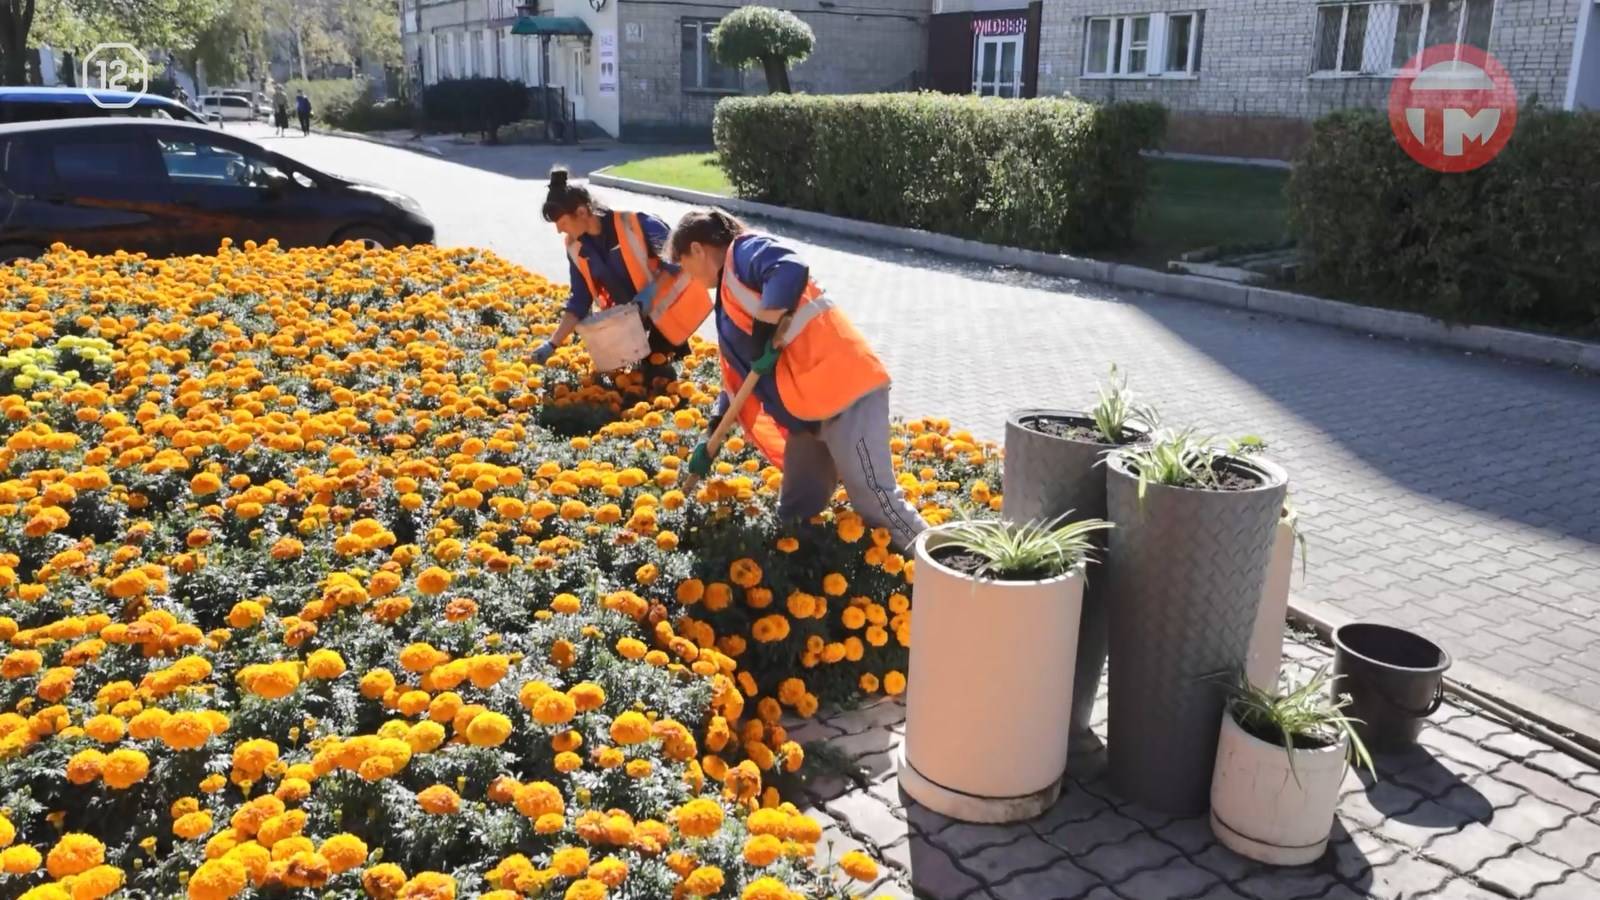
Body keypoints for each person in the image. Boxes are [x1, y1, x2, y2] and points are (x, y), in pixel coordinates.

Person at [669, 209, 928, 550]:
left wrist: (765, 329)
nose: (688, 277)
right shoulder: (728, 300)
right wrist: (710, 436)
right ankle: (798, 570)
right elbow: (736, 378)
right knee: (796, 507)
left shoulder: (743, 252)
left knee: (876, 501)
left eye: (684, 265)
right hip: (808, 412)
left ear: (698, 249)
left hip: (845, 391)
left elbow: (789, 267)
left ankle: (944, 569)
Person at [532, 168, 710, 390]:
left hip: (668, 313)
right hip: (631, 325)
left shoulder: (637, 224)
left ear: (581, 212)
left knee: (657, 381)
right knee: (636, 386)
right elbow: (579, 301)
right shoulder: (575, 246)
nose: (559, 230)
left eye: (563, 223)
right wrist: (552, 344)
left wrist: (648, 295)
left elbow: (680, 262)